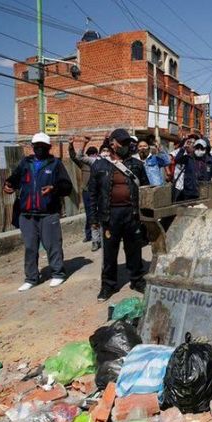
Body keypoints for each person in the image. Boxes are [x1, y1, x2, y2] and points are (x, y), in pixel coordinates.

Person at [3, 132, 73, 291]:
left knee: (52, 245)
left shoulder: (55, 164)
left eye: (43, 146)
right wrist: (8, 185)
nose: (39, 149)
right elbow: (14, 179)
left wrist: (54, 188)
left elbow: (67, 186)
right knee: (30, 247)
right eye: (37, 146)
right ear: (32, 147)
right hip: (26, 214)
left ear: (48, 147)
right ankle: (31, 278)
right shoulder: (25, 163)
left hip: (48, 213)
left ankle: (58, 274)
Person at [89, 128, 149, 302]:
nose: (126, 145)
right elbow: (92, 194)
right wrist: (93, 218)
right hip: (110, 215)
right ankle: (108, 285)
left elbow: (145, 189)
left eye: (127, 142)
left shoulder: (136, 164)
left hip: (132, 214)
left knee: (134, 250)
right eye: (122, 142)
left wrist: (145, 214)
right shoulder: (100, 165)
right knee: (109, 252)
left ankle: (137, 280)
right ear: (113, 143)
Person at [69, 136, 101, 251]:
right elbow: (73, 157)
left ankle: (99, 237)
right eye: (90, 154)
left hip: (99, 192)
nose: (93, 155)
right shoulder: (84, 164)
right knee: (90, 214)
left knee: (101, 213)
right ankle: (89, 236)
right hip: (87, 192)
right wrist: (71, 145)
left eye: (94, 153)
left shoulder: (100, 164)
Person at [171, 135, 199, 201]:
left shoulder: (194, 157)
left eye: (194, 143)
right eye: (190, 142)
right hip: (179, 187)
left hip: (191, 190)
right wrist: (184, 148)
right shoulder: (180, 152)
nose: (192, 145)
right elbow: (176, 159)